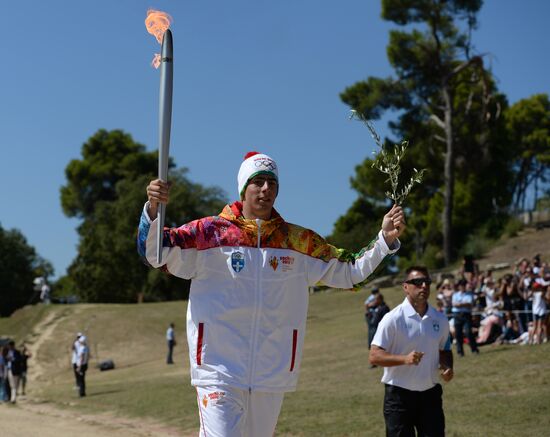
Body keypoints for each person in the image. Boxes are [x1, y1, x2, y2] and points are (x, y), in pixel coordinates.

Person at [138, 151, 405, 437]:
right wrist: (153, 209)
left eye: (271, 183)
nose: (266, 189)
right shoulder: (209, 234)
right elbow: (155, 253)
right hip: (218, 370)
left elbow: (350, 272)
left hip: (271, 373)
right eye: (258, 181)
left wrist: (384, 241)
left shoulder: (297, 242)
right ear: (244, 188)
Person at [370, 266, 454, 437]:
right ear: (405, 287)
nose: (423, 286)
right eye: (417, 282)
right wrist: (404, 359)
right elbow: (374, 356)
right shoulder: (392, 318)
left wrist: (447, 367)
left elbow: (445, 349)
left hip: (430, 395)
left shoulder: (440, 319)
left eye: (427, 282)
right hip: (399, 397)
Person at [451, 279, 480, 356]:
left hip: (466, 315)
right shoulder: (455, 295)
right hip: (457, 315)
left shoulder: (469, 294)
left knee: (468, 332)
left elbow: (469, 304)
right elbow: (454, 304)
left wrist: (460, 304)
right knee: (458, 334)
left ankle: (474, 349)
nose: (463, 287)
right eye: (461, 286)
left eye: (464, 285)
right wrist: (463, 304)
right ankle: (460, 352)